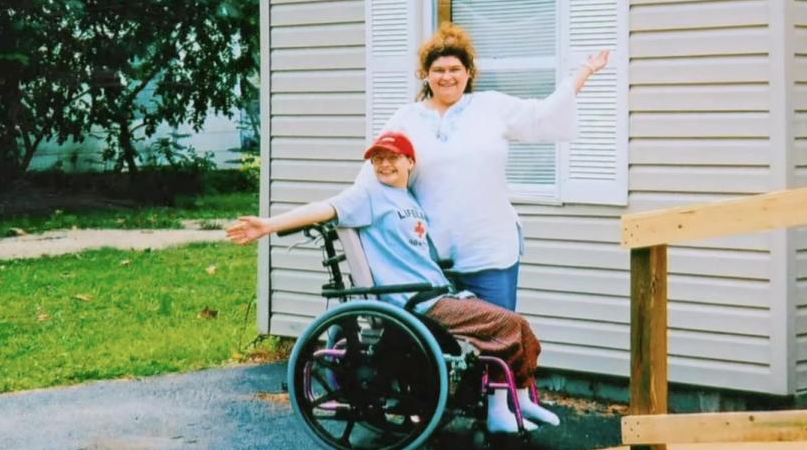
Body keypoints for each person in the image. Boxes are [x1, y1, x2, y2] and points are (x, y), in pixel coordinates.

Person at [227, 131, 559, 434]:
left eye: (393, 158)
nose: (384, 165)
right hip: (417, 303)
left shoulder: (410, 201)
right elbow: (323, 208)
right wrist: (267, 225)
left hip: (438, 294)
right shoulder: (367, 196)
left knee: (519, 329)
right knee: (508, 325)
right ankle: (501, 412)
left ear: (410, 163)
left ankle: (520, 398)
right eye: (378, 160)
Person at [366, 23, 610, 310]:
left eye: (455, 69)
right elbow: (375, 171)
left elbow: (542, 115)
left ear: (468, 73)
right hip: (432, 257)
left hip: (490, 252)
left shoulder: (490, 106)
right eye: (439, 70)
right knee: (444, 348)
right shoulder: (406, 118)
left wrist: (585, 71)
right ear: (425, 75)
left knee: (498, 342)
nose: (447, 77)